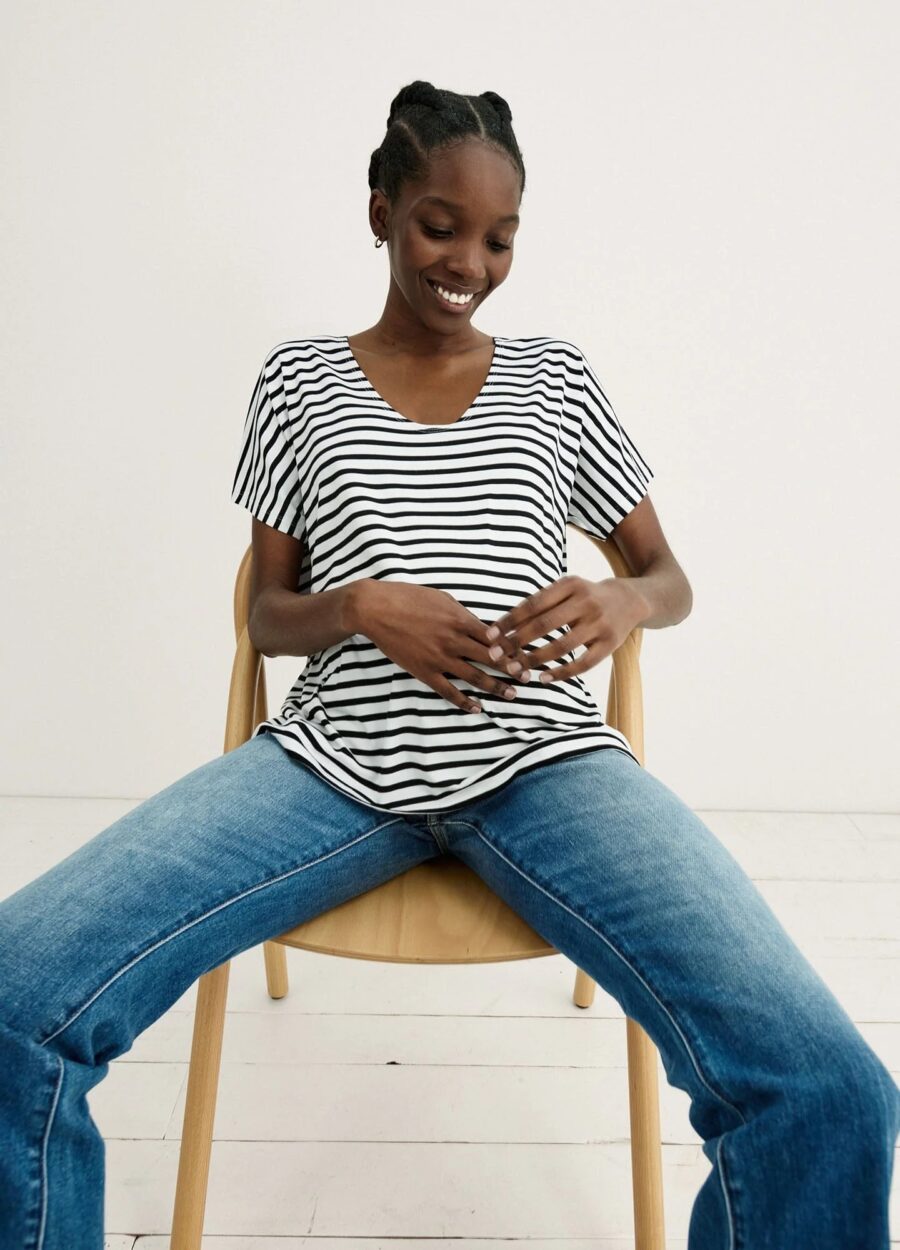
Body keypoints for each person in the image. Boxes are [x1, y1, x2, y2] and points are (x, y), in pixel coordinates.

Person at [0, 79, 896, 1250]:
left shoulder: (555, 381)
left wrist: (624, 597)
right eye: (440, 223)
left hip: (543, 760)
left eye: (498, 237)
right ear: (379, 211)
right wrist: (363, 606)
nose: (467, 258)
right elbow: (268, 616)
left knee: (829, 1086)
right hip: (330, 766)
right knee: (18, 995)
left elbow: (671, 577)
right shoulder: (297, 380)